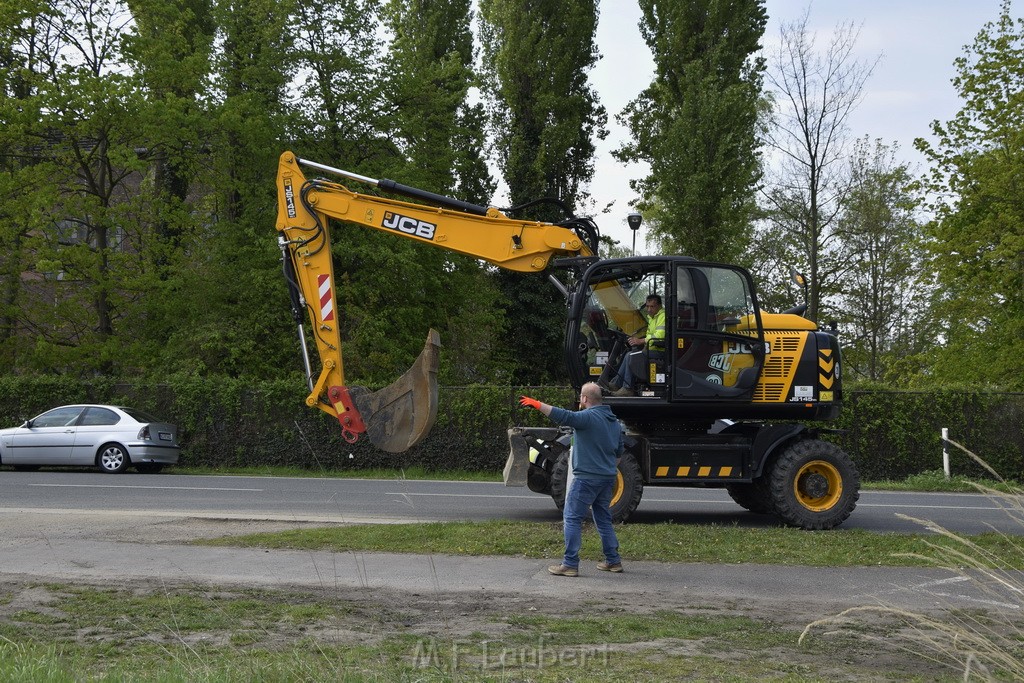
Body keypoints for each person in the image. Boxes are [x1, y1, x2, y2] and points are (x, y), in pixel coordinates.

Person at [519, 382, 624, 577]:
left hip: (586, 479)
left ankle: (570, 564)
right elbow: (619, 453)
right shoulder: (614, 423)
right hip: (607, 478)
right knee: (603, 519)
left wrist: (538, 404)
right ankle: (613, 561)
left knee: (572, 517)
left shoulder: (587, 418)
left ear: (584, 399)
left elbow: (564, 416)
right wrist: (606, 469)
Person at [601, 294, 665, 396]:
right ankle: (617, 384)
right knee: (628, 354)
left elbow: (660, 335)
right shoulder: (652, 318)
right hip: (651, 349)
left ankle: (628, 389)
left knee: (632, 356)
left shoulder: (663, 316)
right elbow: (650, 334)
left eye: (652, 306)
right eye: (647, 306)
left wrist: (640, 341)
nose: (648, 309)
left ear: (659, 306)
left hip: (660, 351)